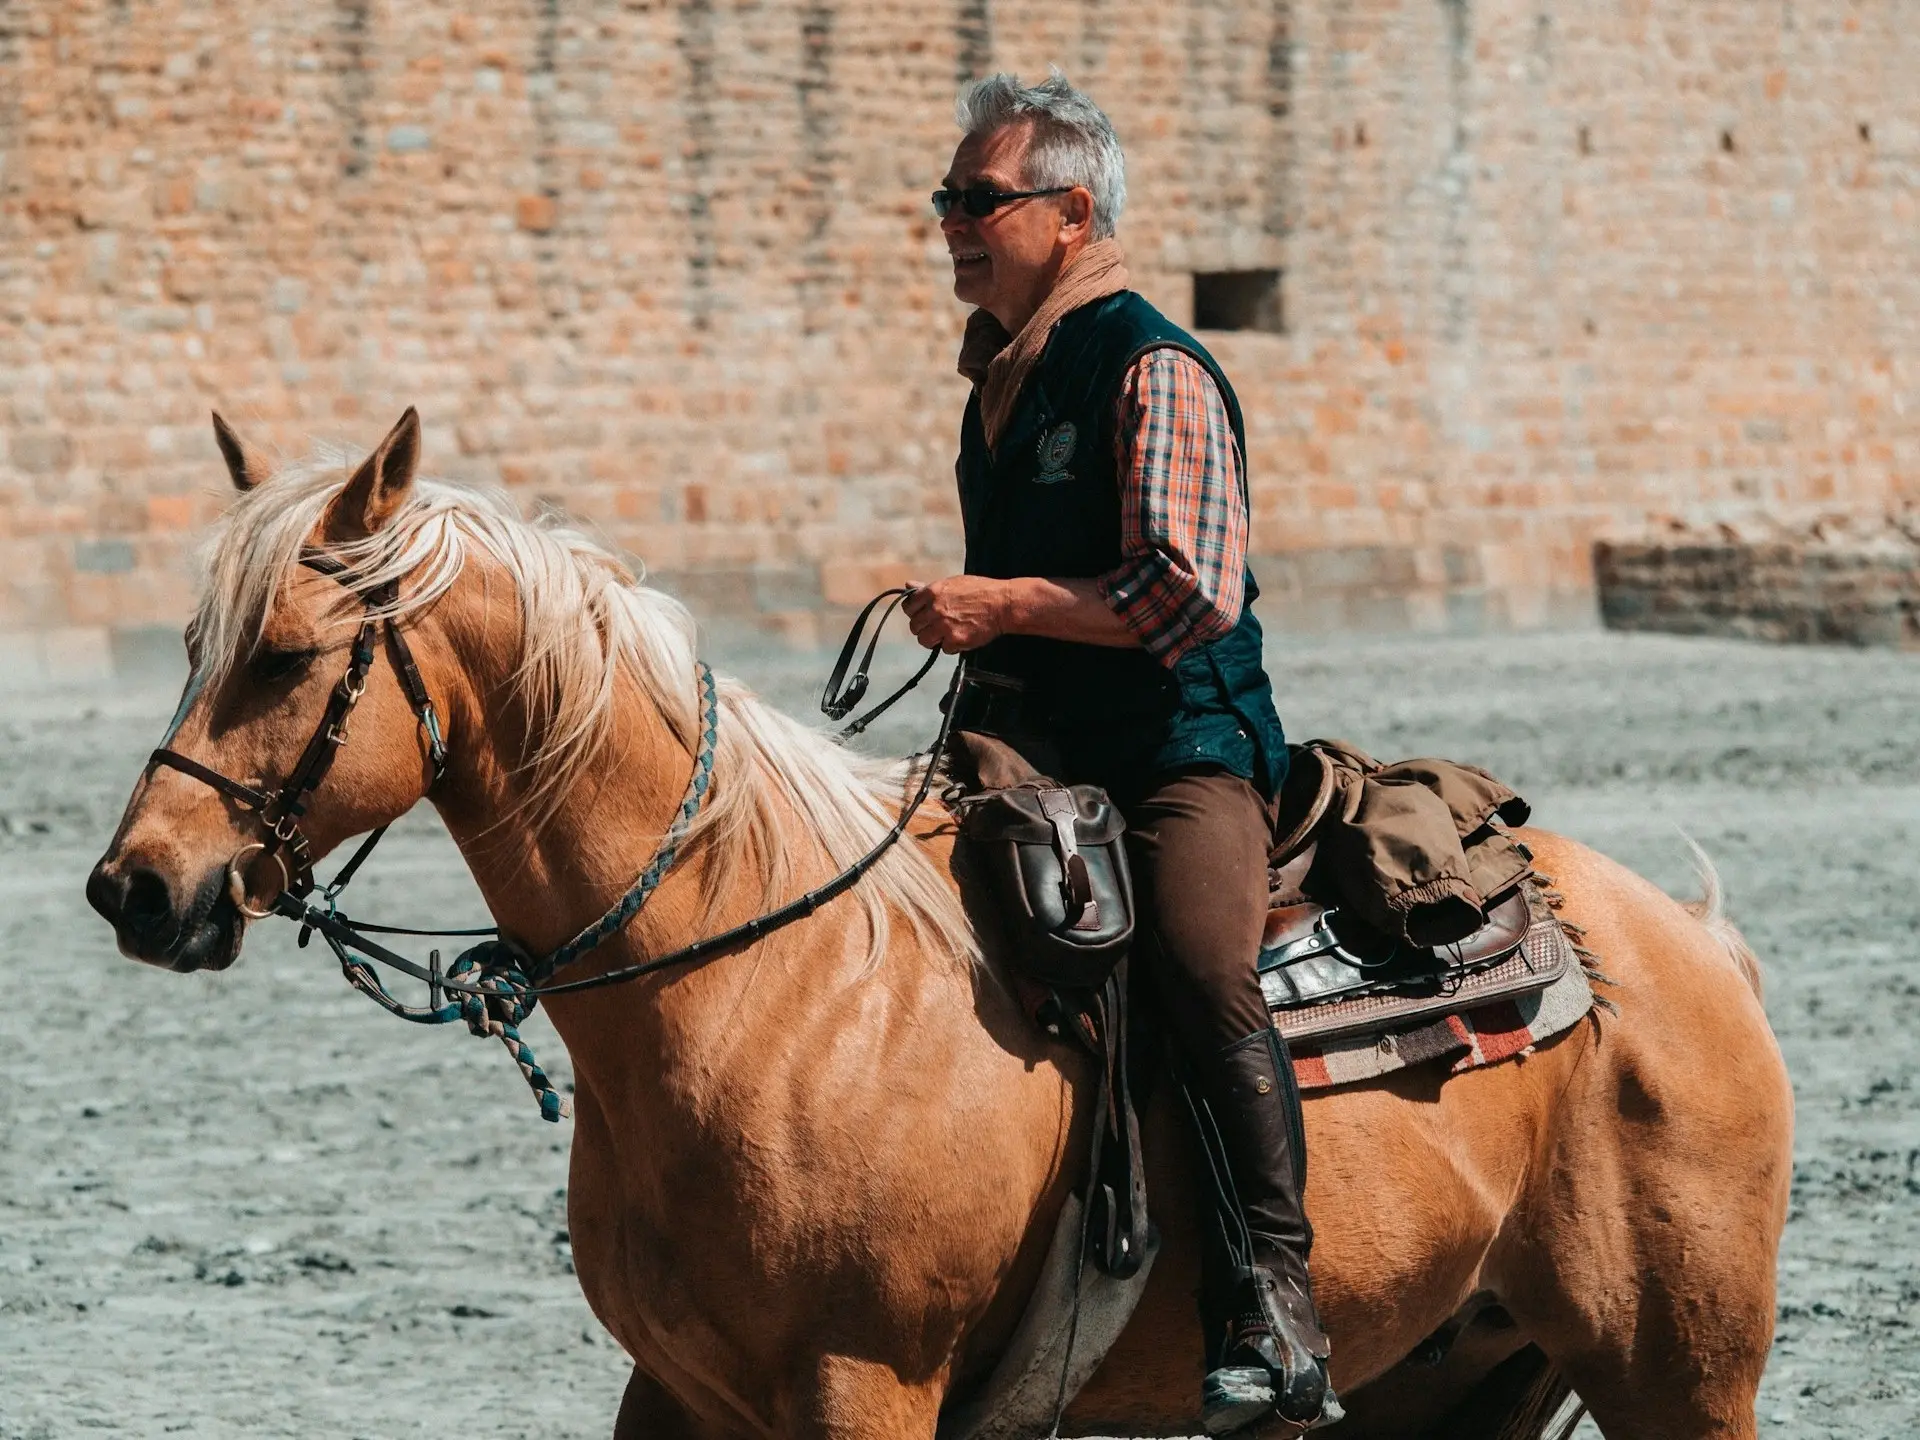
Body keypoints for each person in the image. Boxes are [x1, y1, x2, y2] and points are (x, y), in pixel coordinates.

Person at [902, 70, 1339, 1435]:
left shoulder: (1151, 363)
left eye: (978, 200)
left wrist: (1003, 606)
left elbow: (1186, 591)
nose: (952, 225)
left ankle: (1272, 1305)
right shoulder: (1004, 374)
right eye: (945, 201)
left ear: (1072, 212)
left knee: (1205, 972)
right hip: (1031, 741)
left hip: (1176, 748)